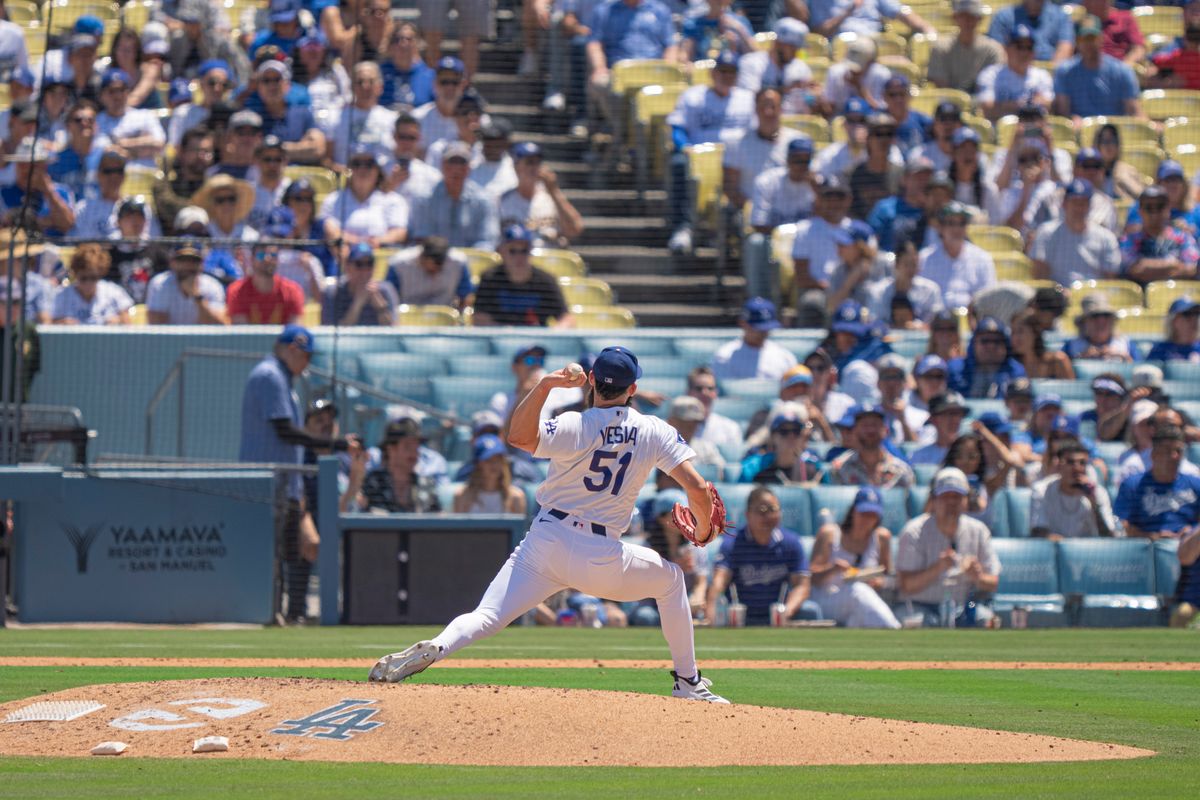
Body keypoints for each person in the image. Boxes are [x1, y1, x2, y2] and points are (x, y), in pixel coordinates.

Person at [369, 346, 733, 704]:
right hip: (601, 554)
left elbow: (518, 437)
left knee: (488, 616)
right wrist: (702, 530)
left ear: (591, 381)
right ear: (633, 389)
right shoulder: (653, 430)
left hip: (546, 539)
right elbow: (698, 488)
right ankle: (688, 681)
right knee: (670, 581)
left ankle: (440, 645)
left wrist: (544, 386)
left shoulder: (576, 423)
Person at [664, 50, 754, 254]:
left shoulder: (747, 99)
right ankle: (683, 228)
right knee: (679, 163)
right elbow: (677, 128)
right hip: (699, 157)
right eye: (723, 71)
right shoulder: (693, 96)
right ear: (713, 73)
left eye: (731, 72)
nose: (727, 76)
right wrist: (684, 147)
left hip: (737, 160)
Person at [897, 467, 1001, 626]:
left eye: (957, 497)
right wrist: (938, 568)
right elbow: (905, 586)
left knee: (986, 619)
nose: (951, 502)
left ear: (966, 500)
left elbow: (993, 583)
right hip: (920, 605)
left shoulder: (978, 530)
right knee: (915, 622)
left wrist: (977, 577)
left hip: (967, 605)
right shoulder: (913, 531)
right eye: (945, 497)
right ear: (934, 500)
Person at [706, 486, 823, 626]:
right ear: (748, 514)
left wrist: (787, 611)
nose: (768, 516)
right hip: (741, 615)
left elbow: (802, 586)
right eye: (761, 511)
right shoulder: (733, 543)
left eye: (773, 510)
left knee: (811, 611)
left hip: (778, 613)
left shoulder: (791, 542)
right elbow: (719, 582)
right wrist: (712, 615)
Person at [810, 487, 901, 629]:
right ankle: (893, 629)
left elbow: (888, 576)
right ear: (853, 511)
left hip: (862, 603)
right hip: (827, 597)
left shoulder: (882, 538)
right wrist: (833, 569)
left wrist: (879, 583)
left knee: (859, 611)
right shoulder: (829, 533)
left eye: (872, 515)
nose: (866, 519)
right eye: (863, 513)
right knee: (858, 590)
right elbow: (810, 577)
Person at [743, 136, 816, 304]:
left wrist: (818, 191)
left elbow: (829, 221)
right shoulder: (768, 181)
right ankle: (760, 300)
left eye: (806, 161)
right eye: (797, 160)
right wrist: (784, 236)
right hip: (774, 240)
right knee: (755, 242)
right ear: (788, 160)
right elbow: (758, 223)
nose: (801, 166)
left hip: (808, 241)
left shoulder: (819, 183)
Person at [473, 224, 572, 328]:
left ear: (530, 252)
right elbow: (479, 319)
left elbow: (567, 318)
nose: (519, 257)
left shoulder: (545, 281)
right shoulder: (490, 279)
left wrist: (554, 333)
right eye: (512, 251)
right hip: (499, 341)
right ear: (502, 252)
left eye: (524, 251)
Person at [408, 141, 500, 249]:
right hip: (433, 261)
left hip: (473, 262)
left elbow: (487, 240)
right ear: (442, 165)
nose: (456, 169)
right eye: (452, 162)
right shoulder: (424, 198)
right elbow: (421, 237)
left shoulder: (484, 200)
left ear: (469, 167)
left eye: (462, 162)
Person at [1115, 424, 1200, 539]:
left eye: (1178, 451)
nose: (1174, 456)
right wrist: (1152, 536)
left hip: (1185, 549)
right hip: (1146, 550)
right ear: (1154, 454)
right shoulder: (1132, 485)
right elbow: (1121, 525)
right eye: (1167, 450)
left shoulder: (1195, 484)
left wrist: (1192, 532)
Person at [1029, 178, 1121, 285]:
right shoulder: (1046, 232)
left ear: (1090, 206)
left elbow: (1110, 279)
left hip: (1092, 294)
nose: (1079, 208)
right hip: (1057, 293)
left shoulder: (1106, 237)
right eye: (1074, 202)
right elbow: (1039, 275)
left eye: (1083, 203)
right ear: (1064, 204)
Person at [1053, 15, 1142, 121]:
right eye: (1083, 39)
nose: (1088, 43)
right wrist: (1073, 120)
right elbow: (1063, 113)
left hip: (1114, 132)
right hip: (1079, 132)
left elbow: (1132, 111)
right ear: (1077, 41)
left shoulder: (1122, 71)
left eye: (1092, 38)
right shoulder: (1065, 72)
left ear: (1101, 38)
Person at [499, 142, 584, 248]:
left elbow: (575, 229)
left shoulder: (551, 197)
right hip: (518, 260)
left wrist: (554, 191)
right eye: (529, 162)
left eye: (538, 162)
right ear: (516, 166)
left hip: (549, 260)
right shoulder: (503, 201)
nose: (534, 167)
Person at [1031, 441, 1118, 539]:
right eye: (1070, 462)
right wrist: (1065, 547)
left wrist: (1094, 504)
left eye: (1082, 463)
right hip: (1054, 550)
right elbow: (1037, 532)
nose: (1077, 468)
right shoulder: (1041, 490)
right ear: (1059, 465)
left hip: (1088, 551)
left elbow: (1109, 536)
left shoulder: (1097, 492)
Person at [246, 59, 326, 165]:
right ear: (259, 87)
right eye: (266, 80)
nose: (272, 86)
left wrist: (271, 149)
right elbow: (246, 152)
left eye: (277, 79)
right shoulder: (250, 117)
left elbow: (317, 149)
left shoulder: (303, 113)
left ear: (287, 85)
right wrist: (299, 148)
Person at [919, 201, 996, 310]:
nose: (956, 229)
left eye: (962, 223)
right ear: (940, 228)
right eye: (950, 223)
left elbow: (988, 298)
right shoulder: (924, 258)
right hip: (935, 322)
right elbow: (919, 298)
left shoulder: (982, 258)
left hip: (969, 321)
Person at [1120, 186, 1200, 285]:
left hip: (1176, 293)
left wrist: (1148, 267)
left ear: (1168, 209)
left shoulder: (1182, 237)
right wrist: (1173, 264)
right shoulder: (1130, 238)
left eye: (1160, 206)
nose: (1154, 213)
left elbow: (1192, 269)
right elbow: (1134, 270)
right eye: (1148, 207)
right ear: (1140, 211)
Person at [360, 418, 442, 513]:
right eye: (407, 446)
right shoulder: (374, 482)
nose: (414, 453)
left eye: (416, 447)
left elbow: (437, 518)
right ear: (391, 449)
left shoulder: (426, 483)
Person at [975, 25, 1055, 121]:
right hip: (1000, 132)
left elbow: (1050, 106)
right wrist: (1025, 105)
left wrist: (1004, 106)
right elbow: (988, 109)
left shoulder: (1042, 75)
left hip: (1033, 131)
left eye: (1029, 47)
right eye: (1019, 47)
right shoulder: (991, 74)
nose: (1024, 52)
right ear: (1007, 49)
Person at [927, 0, 1005, 94]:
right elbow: (941, 86)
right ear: (955, 18)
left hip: (982, 101)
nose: (968, 21)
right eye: (963, 16)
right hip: (950, 103)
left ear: (980, 19)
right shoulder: (941, 47)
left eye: (972, 16)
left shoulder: (992, 49)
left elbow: (993, 85)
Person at [710, 297, 797, 381]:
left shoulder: (785, 356)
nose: (763, 332)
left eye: (766, 328)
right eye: (758, 328)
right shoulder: (725, 356)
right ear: (743, 323)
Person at [145, 240, 229, 325]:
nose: (187, 265)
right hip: (169, 338)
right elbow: (156, 325)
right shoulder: (159, 284)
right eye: (182, 260)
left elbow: (220, 326)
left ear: (201, 265)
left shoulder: (213, 286)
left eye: (193, 261)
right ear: (172, 263)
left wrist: (197, 297)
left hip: (201, 338)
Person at [830, 404, 915, 488]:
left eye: (875, 425)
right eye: (865, 425)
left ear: (886, 430)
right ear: (854, 431)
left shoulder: (901, 471)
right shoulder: (840, 467)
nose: (870, 430)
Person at [106, 196, 170, 304]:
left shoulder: (158, 251)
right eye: (129, 216)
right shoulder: (109, 256)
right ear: (118, 222)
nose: (135, 221)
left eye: (139, 216)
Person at [51, 244, 133, 326]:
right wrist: (61, 323)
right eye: (83, 278)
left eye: (93, 278)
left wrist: (118, 321)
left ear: (100, 274)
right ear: (75, 274)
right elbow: (49, 325)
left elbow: (127, 324)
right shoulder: (61, 296)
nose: (88, 283)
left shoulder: (114, 292)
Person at [737, 405, 822, 484]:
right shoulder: (753, 467)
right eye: (784, 431)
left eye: (796, 431)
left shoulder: (813, 465)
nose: (791, 436)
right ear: (773, 436)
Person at [153, 127, 214, 234]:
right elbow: (167, 207)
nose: (201, 156)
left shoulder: (214, 187)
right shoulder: (169, 185)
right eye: (195, 150)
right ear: (181, 151)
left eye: (206, 151)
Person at [385, 236, 474, 310]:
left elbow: (465, 296)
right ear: (422, 257)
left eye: (438, 269)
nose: (434, 274)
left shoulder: (458, 263)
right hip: (408, 318)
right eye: (431, 270)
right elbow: (390, 298)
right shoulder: (399, 264)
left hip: (444, 319)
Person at [226, 242, 305, 325]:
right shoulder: (237, 291)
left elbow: (295, 330)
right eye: (261, 255)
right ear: (251, 259)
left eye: (273, 255)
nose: (267, 259)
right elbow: (241, 334)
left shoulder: (292, 291)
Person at [948, 316, 1027, 399]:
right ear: (974, 344)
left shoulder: (1015, 371)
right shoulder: (956, 369)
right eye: (985, 341)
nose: (991, 346)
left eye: (997, 341)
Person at [321, 242, 397, 326]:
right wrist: (357, 304)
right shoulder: (333, 292)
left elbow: (393, 331)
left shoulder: (385, 290)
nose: (365, 270)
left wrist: (380, 308)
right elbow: (330, 334)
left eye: (369, 264)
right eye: (359, 264)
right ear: (347, 267)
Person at [452, 434, 528, 515]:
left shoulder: (516, 497)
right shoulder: (462, 496)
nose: (494, 464)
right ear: (478, 464)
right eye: (488, 460)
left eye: (498, 459)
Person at [686, 366, 746, 460]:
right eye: (699, 389)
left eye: (710, 389)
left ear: (716, 393)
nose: (705, 393)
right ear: (688, 392)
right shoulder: (674, 428)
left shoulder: (730, 428)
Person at [987, 0, 1074, 65]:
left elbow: (1065, 48)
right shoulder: (1003, 16)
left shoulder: (1061, 16)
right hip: (1014, 72)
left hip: (1049, 72)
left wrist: (1050, 73)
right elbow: (997, 50)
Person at [736, 16, 809, 93]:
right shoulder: (751, 63)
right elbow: (748, 98)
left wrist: (813, 98)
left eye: (797, 48)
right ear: (778, 43)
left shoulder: (801, 68)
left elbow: (808, 99)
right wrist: (785, 90)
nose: (795, 53)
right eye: (792, 47)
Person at [1063, 296, 1139, 362]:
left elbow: (1138, 368)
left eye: (1106, 315)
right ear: (1084, 322)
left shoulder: (1126, 344)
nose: (1101, 321)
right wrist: (1080, 358)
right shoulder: (1070, 346)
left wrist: (1122, 356)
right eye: (1095, 316)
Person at [379, 22, 434, 110]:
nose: (403, 44)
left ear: (418, 44)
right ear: (390, 46)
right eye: (398, 39)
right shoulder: (379, 75)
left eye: (409, 39)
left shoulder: (430, 77)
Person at [1010, 308, 1076, 378]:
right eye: (1013, 332)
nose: (1015, 338)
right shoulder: (1011, 366)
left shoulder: (1057, 362)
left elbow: (1071, 388)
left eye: (1020, 331)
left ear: (1035, 332)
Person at [912, 392, 968, 465]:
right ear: (934, 419)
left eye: (958, 414)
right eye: (950, 414)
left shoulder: (970, 455)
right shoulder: (918, 456)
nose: (955, 420)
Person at [1147, 297, 1200, 362]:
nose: (1194, 319)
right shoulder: (1160, 350)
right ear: (1174, 321)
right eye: (1187, 314)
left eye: (1197, 314)